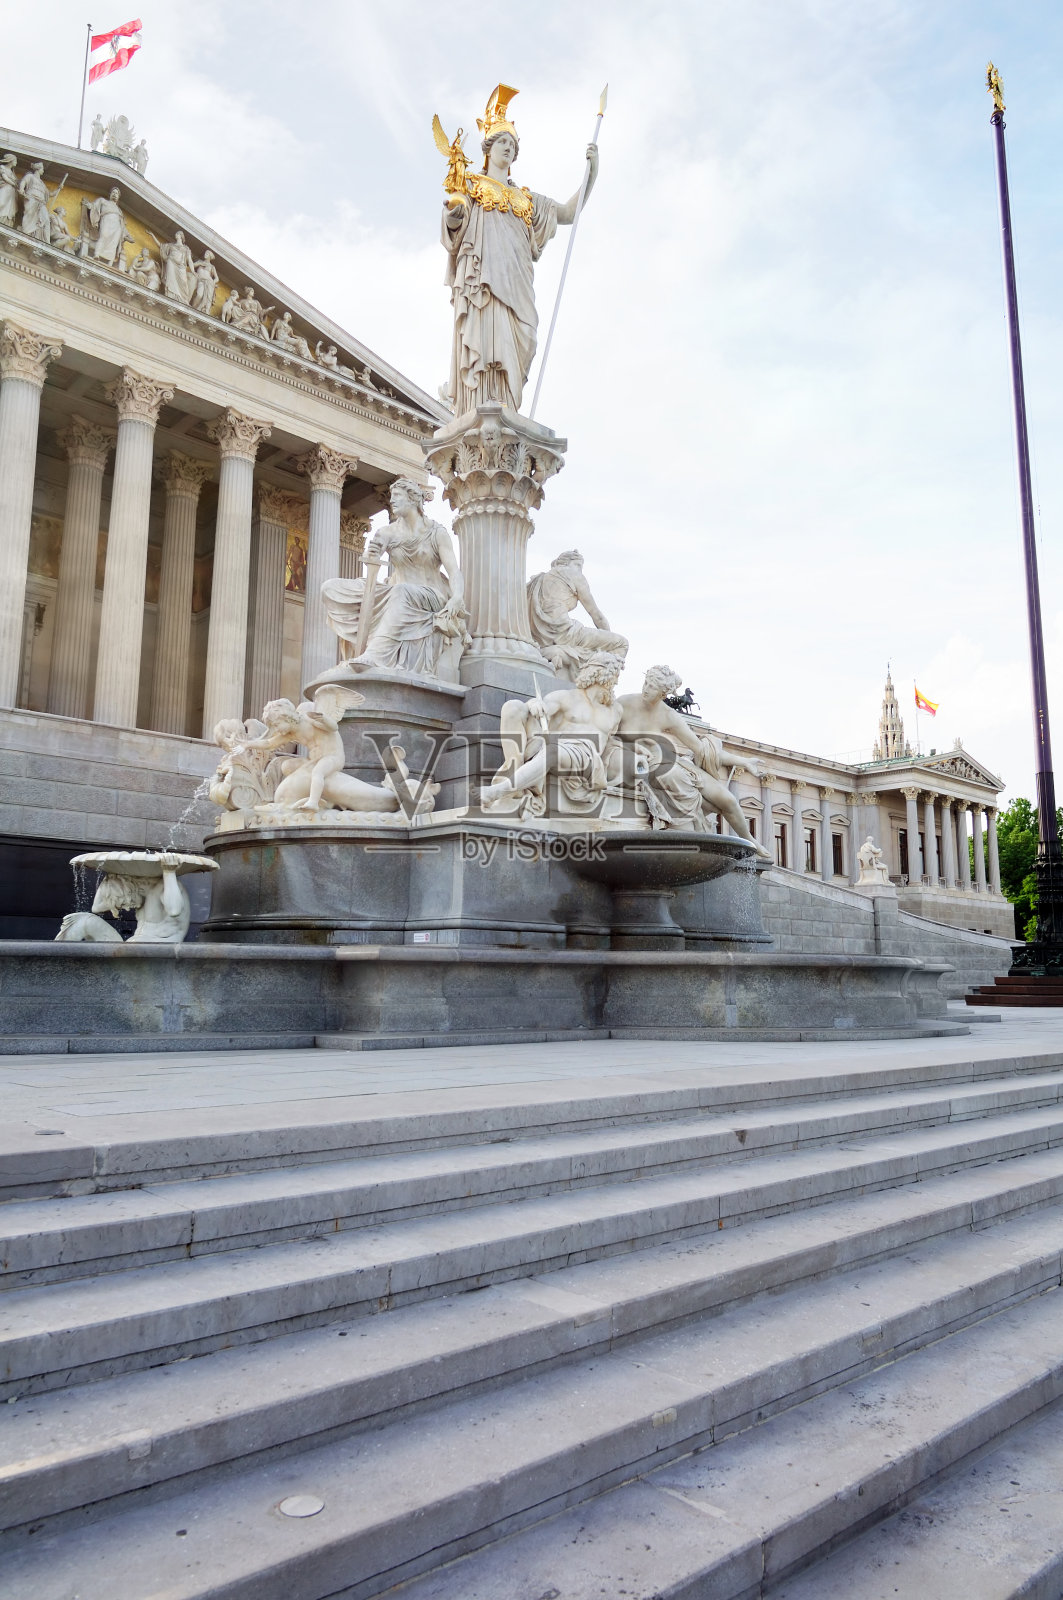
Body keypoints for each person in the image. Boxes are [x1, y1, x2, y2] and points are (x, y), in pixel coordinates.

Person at [441, 84, 598, 415]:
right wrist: (453, 215)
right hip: (484, 279)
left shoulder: (525, 199)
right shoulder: (472, 185)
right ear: (488, 148)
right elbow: (455, 220)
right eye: (502, 142)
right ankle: (481, 403)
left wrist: (591, 173)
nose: (508, 149)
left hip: (517, 283)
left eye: (512, 145)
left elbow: (568, 213)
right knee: (485, 339)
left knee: (523, 336)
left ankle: (508, 407)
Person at [321, 478, 468, 681]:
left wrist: (457, 596)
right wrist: (372, 555)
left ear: (414, 500)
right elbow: (374, 559)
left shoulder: (436, 533)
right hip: (396, 591)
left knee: (401, 591)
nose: (393, 502)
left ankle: (375, 654)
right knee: (330, 588)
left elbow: (454, 571)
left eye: (398, 497)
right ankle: (367, 649)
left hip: (430, 595)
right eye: (391, 498)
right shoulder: (387, 532)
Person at [617, 665, 771, 852]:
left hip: (671, 762)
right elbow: (606, 735)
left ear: (663, 694)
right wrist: (631, 749)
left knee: (728, 800)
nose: (645, 688)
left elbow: (701, 749)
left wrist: (743, 761)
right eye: (646, 682)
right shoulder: (624, 703)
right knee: (703, 802)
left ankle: (749, 840)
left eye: (652, 686)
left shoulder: (668, 715)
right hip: (650, 769)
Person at [482, 653, 624, 815]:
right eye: (615, 677)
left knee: (553, 750)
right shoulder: (567, 697)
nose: (617, 682)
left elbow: (611, 742)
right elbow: (543, 709)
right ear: (601, 675)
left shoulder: (616, 710)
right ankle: (515, 777)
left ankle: (499, 791)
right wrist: (534, 703)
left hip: (587, 758)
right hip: (559, 747)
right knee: (512, 707)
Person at [527, 549, 627, 674]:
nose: (580, 570)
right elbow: (596, 615)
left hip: (540, 637)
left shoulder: (538, 579)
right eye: (578, 565)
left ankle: (570, 657)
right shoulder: (573, 574)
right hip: (564, 632)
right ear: (567, 563)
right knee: (621, 643)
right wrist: (608, 640)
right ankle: (597, 680)